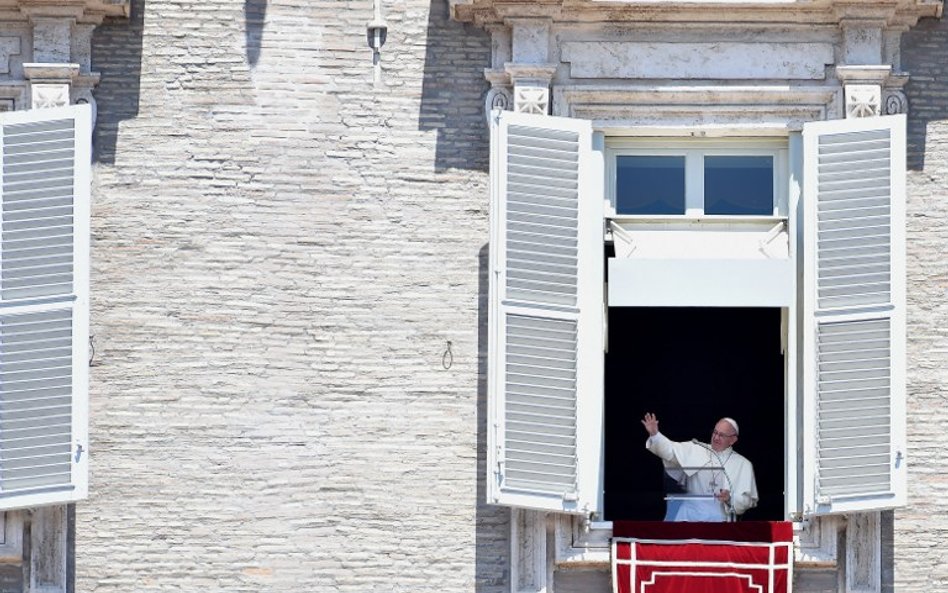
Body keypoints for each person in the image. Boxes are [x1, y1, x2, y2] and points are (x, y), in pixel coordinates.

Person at [641, 412, 758, 522]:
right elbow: (670, 451)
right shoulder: (697, 448)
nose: (716, 438)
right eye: (715, 432)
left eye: (721, 435)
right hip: (688, 517)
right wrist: (655, 435)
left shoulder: (743, 464)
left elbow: (747, 501)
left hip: (719, 520)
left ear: (733, 440)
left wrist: (729, 498)